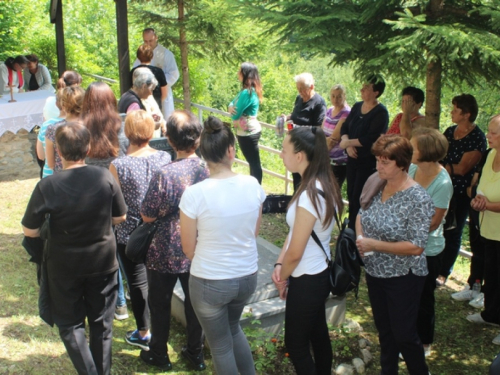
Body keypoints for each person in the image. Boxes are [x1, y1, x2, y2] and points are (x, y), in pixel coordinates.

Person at [21, 123, 127, 375]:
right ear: (88, 147)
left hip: (64, 266)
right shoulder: (104, 177)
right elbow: (120, 217)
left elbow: (29, 230)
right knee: (102, 324)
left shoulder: (47, 186)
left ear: (58, 150)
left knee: (69, 324)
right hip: (102, 262)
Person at [179, 116, 266, 374]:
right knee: (233, 328)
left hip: (210, 281)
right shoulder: (253, 184)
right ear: (231, 150)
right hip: (246, 276)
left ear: (202, 153)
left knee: (220, 347)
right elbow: (254, 232)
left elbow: (188, 248)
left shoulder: (194, 194)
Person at [356, 134, 434, 375]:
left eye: (385, 162)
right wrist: (361, 239)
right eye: (378, 160)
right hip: (375, 271)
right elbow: (361, 214)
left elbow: (416, 246)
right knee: (385, 331)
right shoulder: (376, 182)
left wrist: (373, 245)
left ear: (402, 164)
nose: (379, 166)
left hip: (404, 275)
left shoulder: (418, 198)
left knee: (403, 334)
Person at [271, 126, 343, 374]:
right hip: (314, 273)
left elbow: (296, 252)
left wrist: (283, 274)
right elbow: (295, 232)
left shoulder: (310, 193)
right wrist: (280, 267)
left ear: (299, 155)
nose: (281, 154)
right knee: (317, 333)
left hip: (307, 278)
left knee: (296, 344)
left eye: (284, 150)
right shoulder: (317, 182)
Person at [140, 110, 208, 371]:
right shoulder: (207, 170)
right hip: (198, 246)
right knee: (195, 304)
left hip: (164, 248)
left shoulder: (164, 174)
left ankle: (159, 354)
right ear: (198, 139)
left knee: (159, 303)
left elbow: (147, 215)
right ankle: (196, 353)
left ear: (170, 140)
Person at [110, 110, 172, 352]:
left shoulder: (118, 165)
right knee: (159, 280)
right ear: (150, 131)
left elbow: (115, 201)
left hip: (130, 233)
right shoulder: (164, 157)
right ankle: (158, 328)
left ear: (127, 132)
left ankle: (143, 332)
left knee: (137, 284)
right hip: (160, 229)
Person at [409, 128, 453, 357]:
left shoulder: (443, 182)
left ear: (426, 152)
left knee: (424, 298)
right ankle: (407, 335)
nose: (409, 149)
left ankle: (424, 342)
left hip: (428, 250)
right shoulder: (413, 168)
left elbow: (434, 222)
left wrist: (401, 227)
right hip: (406, 244)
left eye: (413, 146)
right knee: (407, 294)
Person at [437, 94, 486, 286]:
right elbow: (438, 153)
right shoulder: (450, 131)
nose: (451, 113)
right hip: (443, 187)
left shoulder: (476, 138)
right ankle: (435, 264)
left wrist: (443, 166)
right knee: (439, 227)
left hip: (461, 192)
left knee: (453, 231)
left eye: (455, 110)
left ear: (466, 114)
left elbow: (463, 168)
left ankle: (444, 271)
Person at [467, 115, 500, 345]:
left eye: (494, 133)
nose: (488, 136)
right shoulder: (490, 155)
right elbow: (482, 187)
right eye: (489, 131)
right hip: (489, 227)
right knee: (493, 274)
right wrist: (478, 199)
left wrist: (487, 204)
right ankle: (491, 315)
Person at [340, 75, 389, 229]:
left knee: (359, 197)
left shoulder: (380, 112)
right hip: (352, 159)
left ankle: (357, 231)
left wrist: (348, 142)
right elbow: (345, 126)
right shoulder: (357, 106)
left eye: (366, 88)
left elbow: (372, 138)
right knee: (350, 194)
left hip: (366, 163)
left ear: (376, 92)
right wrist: (347, 144)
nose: (362, 90)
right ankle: (350, 229)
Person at [283, 72, 327, 191]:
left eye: (302, 89)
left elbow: (319, 128)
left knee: (306, 180)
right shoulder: (299, 98)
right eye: (298, 89)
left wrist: (298, 128)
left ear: (311, 87)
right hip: (295, 144)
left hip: (308, 149)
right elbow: (296, 115)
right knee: (296, 178)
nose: (300, 92)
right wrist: (287, 117)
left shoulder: (319, 103)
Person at [228, 62, 264, 184]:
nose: (238, 73)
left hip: (248, 133)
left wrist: (231, 109)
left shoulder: (247, 92)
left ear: (245, 74)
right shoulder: (247, 91)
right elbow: (232, 103)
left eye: (240, 71)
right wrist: (230, 106)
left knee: (254, 163)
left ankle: (257, 189)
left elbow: (236, 113)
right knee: (253, 163)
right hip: (247, 132)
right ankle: (255, 188)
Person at [133, 28, 179, 120]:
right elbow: (135, 72)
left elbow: (174, 74)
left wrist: (157, 83)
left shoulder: (166, 54)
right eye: (145, 41)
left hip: (162, 92)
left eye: (151, 41)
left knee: (163, 120)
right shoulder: (142, 54)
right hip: (145, 93)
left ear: (156, 38)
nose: (148, 44)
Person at [82, 82, 125, 169]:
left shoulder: (79, 129)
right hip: (118, 177)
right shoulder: (123, 127)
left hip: (90, 177)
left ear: (86, 103)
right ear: (112, 101)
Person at [45, 86, 85, 173]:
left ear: (63, 105)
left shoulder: (52, 129)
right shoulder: (90, 126)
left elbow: (51, 164)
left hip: (62, 177)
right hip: (89, 175)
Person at [118, 67, 165, 137]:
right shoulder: (134, 103)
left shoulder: (126, 95)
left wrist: (148, 118)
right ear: (144, 86)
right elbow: (136, 128)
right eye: (151, 89)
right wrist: (153, 125)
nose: (151, 94)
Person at [322, 84, 351, 188]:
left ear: (344, 96)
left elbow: (334, 139)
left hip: (338, 162)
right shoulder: (329, 110)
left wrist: (321, 154)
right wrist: (324, 139)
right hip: (326, 158)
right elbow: (320, 133)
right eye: (333, 96)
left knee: (333, 192)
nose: (336, 99)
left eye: (339, 96)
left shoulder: (346, 113)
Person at [130, 44, 167, 110]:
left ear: (138, 57)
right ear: (152, 56)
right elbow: (164, 93)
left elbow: (130, 91)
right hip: (155, 109)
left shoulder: (133, 72)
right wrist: (158, 103)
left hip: (139, 108)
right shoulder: (158, 71)